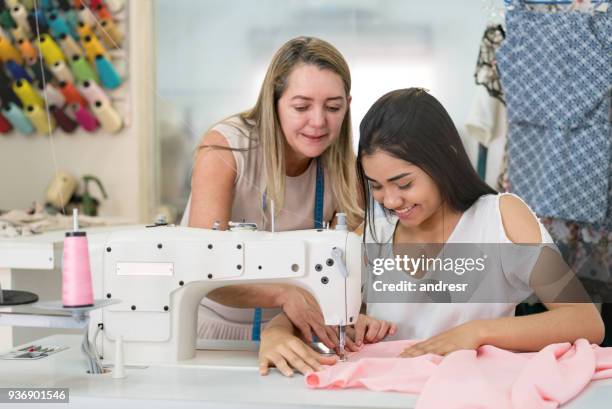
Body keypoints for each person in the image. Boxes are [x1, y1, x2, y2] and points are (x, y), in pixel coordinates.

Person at [258, 87, 604, 375]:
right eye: (376, 186)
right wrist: (277, 333)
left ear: (444, 160)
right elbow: (305, 306)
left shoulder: (501, 219)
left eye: (403, 183)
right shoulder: (374, 234)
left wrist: (477, 333)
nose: (390, 200)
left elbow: (585, 321)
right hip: (390, 394)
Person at [183, 36, 364, 348]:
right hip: (209, 330)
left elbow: (347, 267)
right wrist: (283, 293)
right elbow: (203, 268)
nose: (319, 122)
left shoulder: (346, 171)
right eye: (301, 106)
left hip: (291, 331)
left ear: (347, 105)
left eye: (333, 107)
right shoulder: (226, 149)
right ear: (273, 102)